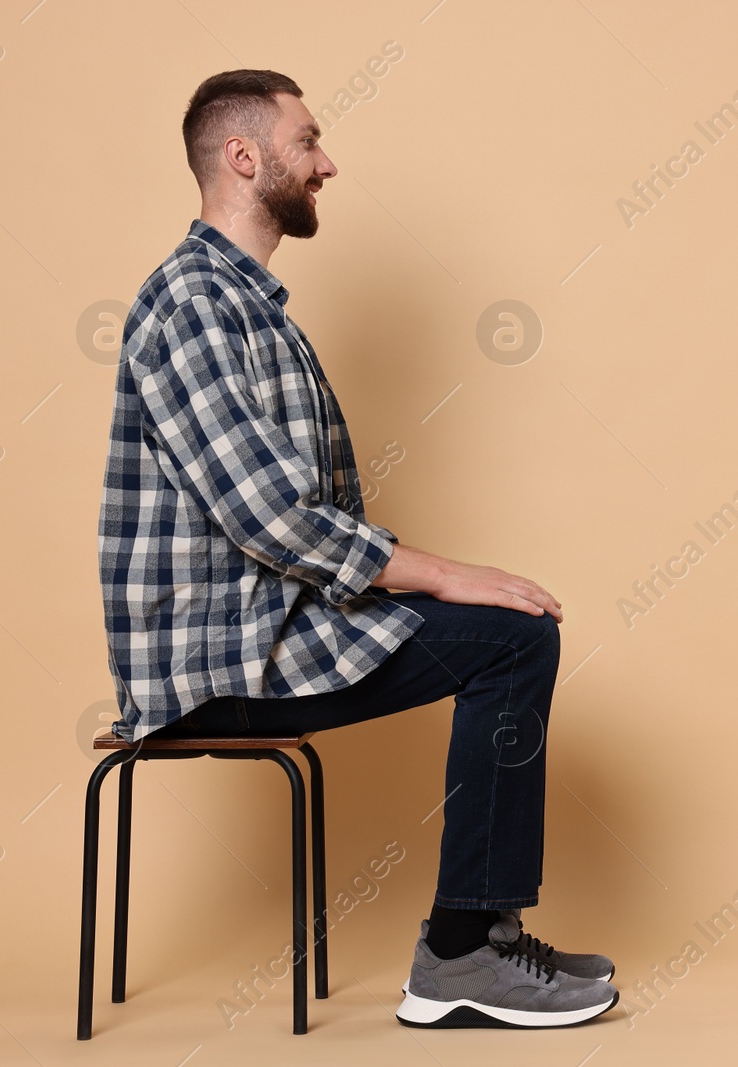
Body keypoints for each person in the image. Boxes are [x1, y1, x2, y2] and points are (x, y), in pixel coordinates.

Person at [96, 68, 616, 1029]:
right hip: (219, 661)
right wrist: (452, 573)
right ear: (242, 157)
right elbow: (271, 517)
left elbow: (291, 518)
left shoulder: (248, 307)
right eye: (307, 141)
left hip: (271, 628)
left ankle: (480, 937)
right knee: (511, 636)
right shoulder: (194, 305)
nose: (325, 162)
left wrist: (446, 581)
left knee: (514, 626)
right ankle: (461, 953)